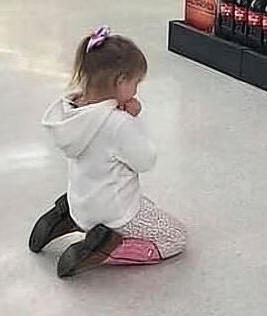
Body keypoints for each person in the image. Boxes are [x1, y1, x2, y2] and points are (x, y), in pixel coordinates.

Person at [29, 26, 186, 277]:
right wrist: (133, 120)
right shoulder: (117, 123)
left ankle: (68, 215)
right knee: (175, 237)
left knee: (146, 203)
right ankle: (103, 246)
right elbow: (146, 160)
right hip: (113, 214)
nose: (136, 91)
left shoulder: (73, 109)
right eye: (136, 83)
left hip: (81, 201)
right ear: (120, 81)